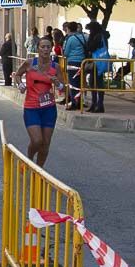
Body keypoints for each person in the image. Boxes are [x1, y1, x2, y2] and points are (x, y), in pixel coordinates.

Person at [13, 36, 67, 166]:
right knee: (37, 140)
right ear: (38, 48)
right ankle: (29, 160)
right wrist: (21, 85)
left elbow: (63, 88)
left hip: (49, 108)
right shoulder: (29, 63)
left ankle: (39, 170)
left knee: (45, 143)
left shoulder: (56, 67)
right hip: (31, 107)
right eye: (43, 47)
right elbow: (17, 75)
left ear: (51, 49)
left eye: (48, 47)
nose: (45, 49)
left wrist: (57, 83)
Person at [84, 22, 108, 113]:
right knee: (96, 83)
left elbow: (90, 47)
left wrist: (90, 39)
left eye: (90, 30)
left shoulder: (97, 36)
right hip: (99, 62)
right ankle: (96, 104)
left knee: (95, 83)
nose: (89, 32)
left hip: (97, 62)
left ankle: (98, 104)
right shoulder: (102, 36)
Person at [62, 22, 87, 110]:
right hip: (84, 62)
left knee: (73, 84)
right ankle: (80, 102)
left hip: (73, 63)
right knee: (80, 83)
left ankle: (74, 103)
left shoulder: (71, 39)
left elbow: (65, 53)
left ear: (68, 29)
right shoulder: (84, 37)